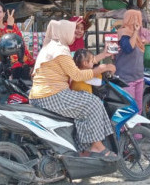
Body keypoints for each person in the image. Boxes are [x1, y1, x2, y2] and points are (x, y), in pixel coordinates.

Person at [30, 20, 117, 158]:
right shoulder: (60, 51)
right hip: (52, 94)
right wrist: (100, 69)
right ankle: (96, 146)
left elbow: (79, 63)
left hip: (42, 94)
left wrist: (102, 57)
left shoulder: (51, 47)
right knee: (93, 102)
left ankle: (83, 148)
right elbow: (77, 74)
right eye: (71, 30)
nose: (73, 34)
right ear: (64, 32)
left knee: (85, 104)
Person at [0, 1, 35, 79]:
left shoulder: (13, 26)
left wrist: (32, 64)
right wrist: (9, 27)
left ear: (4, 14)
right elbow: (4, 45)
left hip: (22, 66)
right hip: (6, 68)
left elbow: (22, 45)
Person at [114, 9, 150, 113]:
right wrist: (135, 31)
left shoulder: (138, 35)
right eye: (136, 18)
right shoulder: (123, 33)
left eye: (139, 18)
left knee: (138, 107)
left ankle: (137, 128)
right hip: (126, 79)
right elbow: (128, 48)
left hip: (138, 77)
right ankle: (126, 129)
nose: (138, 21)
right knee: (129, 107)